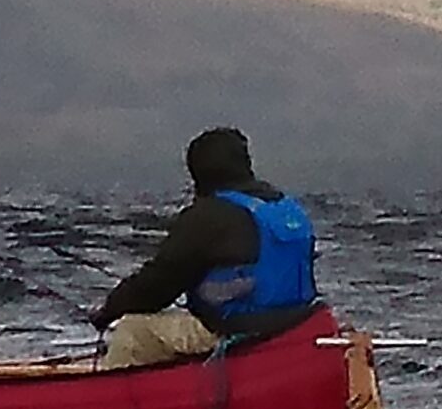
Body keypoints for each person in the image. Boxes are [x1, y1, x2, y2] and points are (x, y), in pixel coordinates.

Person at [88, 127, 320, 370]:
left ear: (198, 173)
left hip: (235, 330)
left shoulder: (208, 215)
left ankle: (104, 398)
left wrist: (108, 311)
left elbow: (155, 288)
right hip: (294, 325)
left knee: (133, 331)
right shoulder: (285, 206)